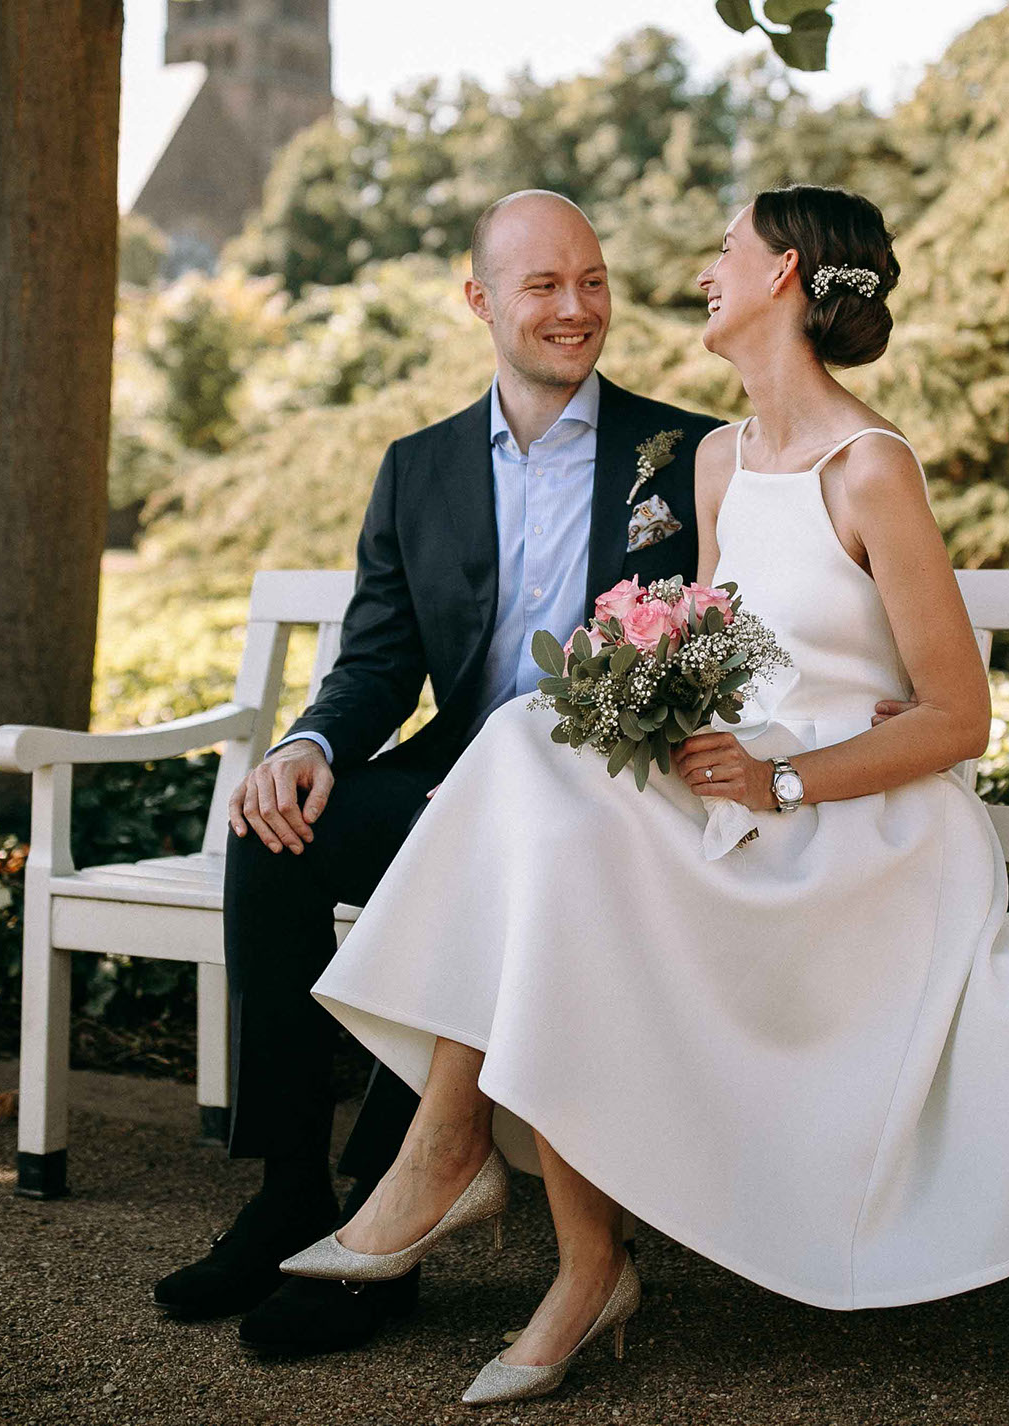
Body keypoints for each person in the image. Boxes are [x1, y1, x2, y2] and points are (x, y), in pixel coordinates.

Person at [300, 186, 1009, 1405]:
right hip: (741, 789)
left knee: (554, 823)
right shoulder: (717, 462)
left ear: (782, 275)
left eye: (726, 247)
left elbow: (957, 717)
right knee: (540, 773)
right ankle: (565, 1243)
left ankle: (475, 1176)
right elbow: (715, 657)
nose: (702, 267)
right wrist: (657, 714)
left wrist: (787, 773)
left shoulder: (871, 467)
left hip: (858, 831)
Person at [150, 190, 724, 1357]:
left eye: (593, 281)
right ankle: (288, 1190)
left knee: (483, 867)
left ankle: (390, 1221)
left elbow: (721, 639)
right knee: (272, 835)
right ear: (479, 301)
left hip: (605, 803)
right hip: (457, 775)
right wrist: (307, 745)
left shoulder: (687, 451)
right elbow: (375, 662)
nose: (578, 308)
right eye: (544, 286)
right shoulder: (418, 469)